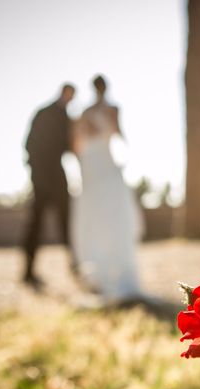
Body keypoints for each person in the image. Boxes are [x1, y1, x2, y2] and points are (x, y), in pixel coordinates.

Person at [71, 75, 143, 301]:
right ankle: (98, 270)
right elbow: (80, 141)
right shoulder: (93, 111)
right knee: (98, 211)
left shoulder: (105, 110)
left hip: (99, 159)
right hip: (95, 162)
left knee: (112, 210)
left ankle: (110, 267)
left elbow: (114, 134)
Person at [22, 83, 76, 287]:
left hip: (58, 176)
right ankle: (28, 270)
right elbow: (29, 144)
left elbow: (69, 146)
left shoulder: (68, 118)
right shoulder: (43, 113)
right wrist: (35, 172)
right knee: (36, 223)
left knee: (67, 221)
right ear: (63, 93)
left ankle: (73, 265)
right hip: (42, 176)